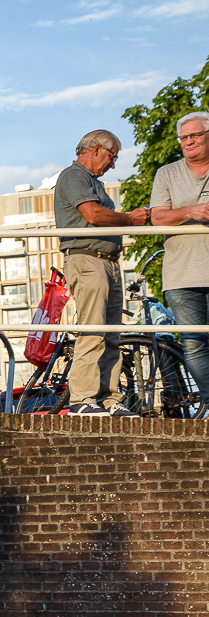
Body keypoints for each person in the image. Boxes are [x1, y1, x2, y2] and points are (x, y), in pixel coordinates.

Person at [55, 129, 149, 417]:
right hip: (87, 260)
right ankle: (82, 399)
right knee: (93, 329)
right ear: (96, 149)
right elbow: (93, 215)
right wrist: (131, 218)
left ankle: (109, 399)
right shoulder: (74, 176)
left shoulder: (92, 181)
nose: (113, 163)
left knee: (110, 335)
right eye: (112, 156)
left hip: (106, 261)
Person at [152, 112, 209, 409]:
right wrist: (192, 212)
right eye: (184, 137)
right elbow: (156, 217)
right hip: (182, 275)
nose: (188, 141)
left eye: (195, 135)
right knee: (194, 342)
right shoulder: (167, 173)